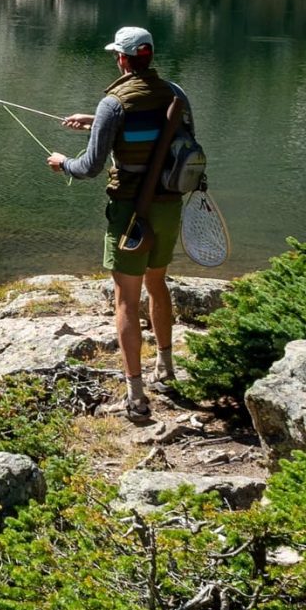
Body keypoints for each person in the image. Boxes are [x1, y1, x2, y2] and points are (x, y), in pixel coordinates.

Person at [45, 25, 190, 421]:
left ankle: (136, 396)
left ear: (123, 59)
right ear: (150, 56)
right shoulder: (175, 94)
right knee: (157, 284)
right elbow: (163, 135)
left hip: (131, 212)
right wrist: (95, 122)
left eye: (117, 55)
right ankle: (166, 368)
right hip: (168, 205)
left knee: (127, 299)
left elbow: (90, 167)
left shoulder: (115, 102)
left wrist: (63, 164)